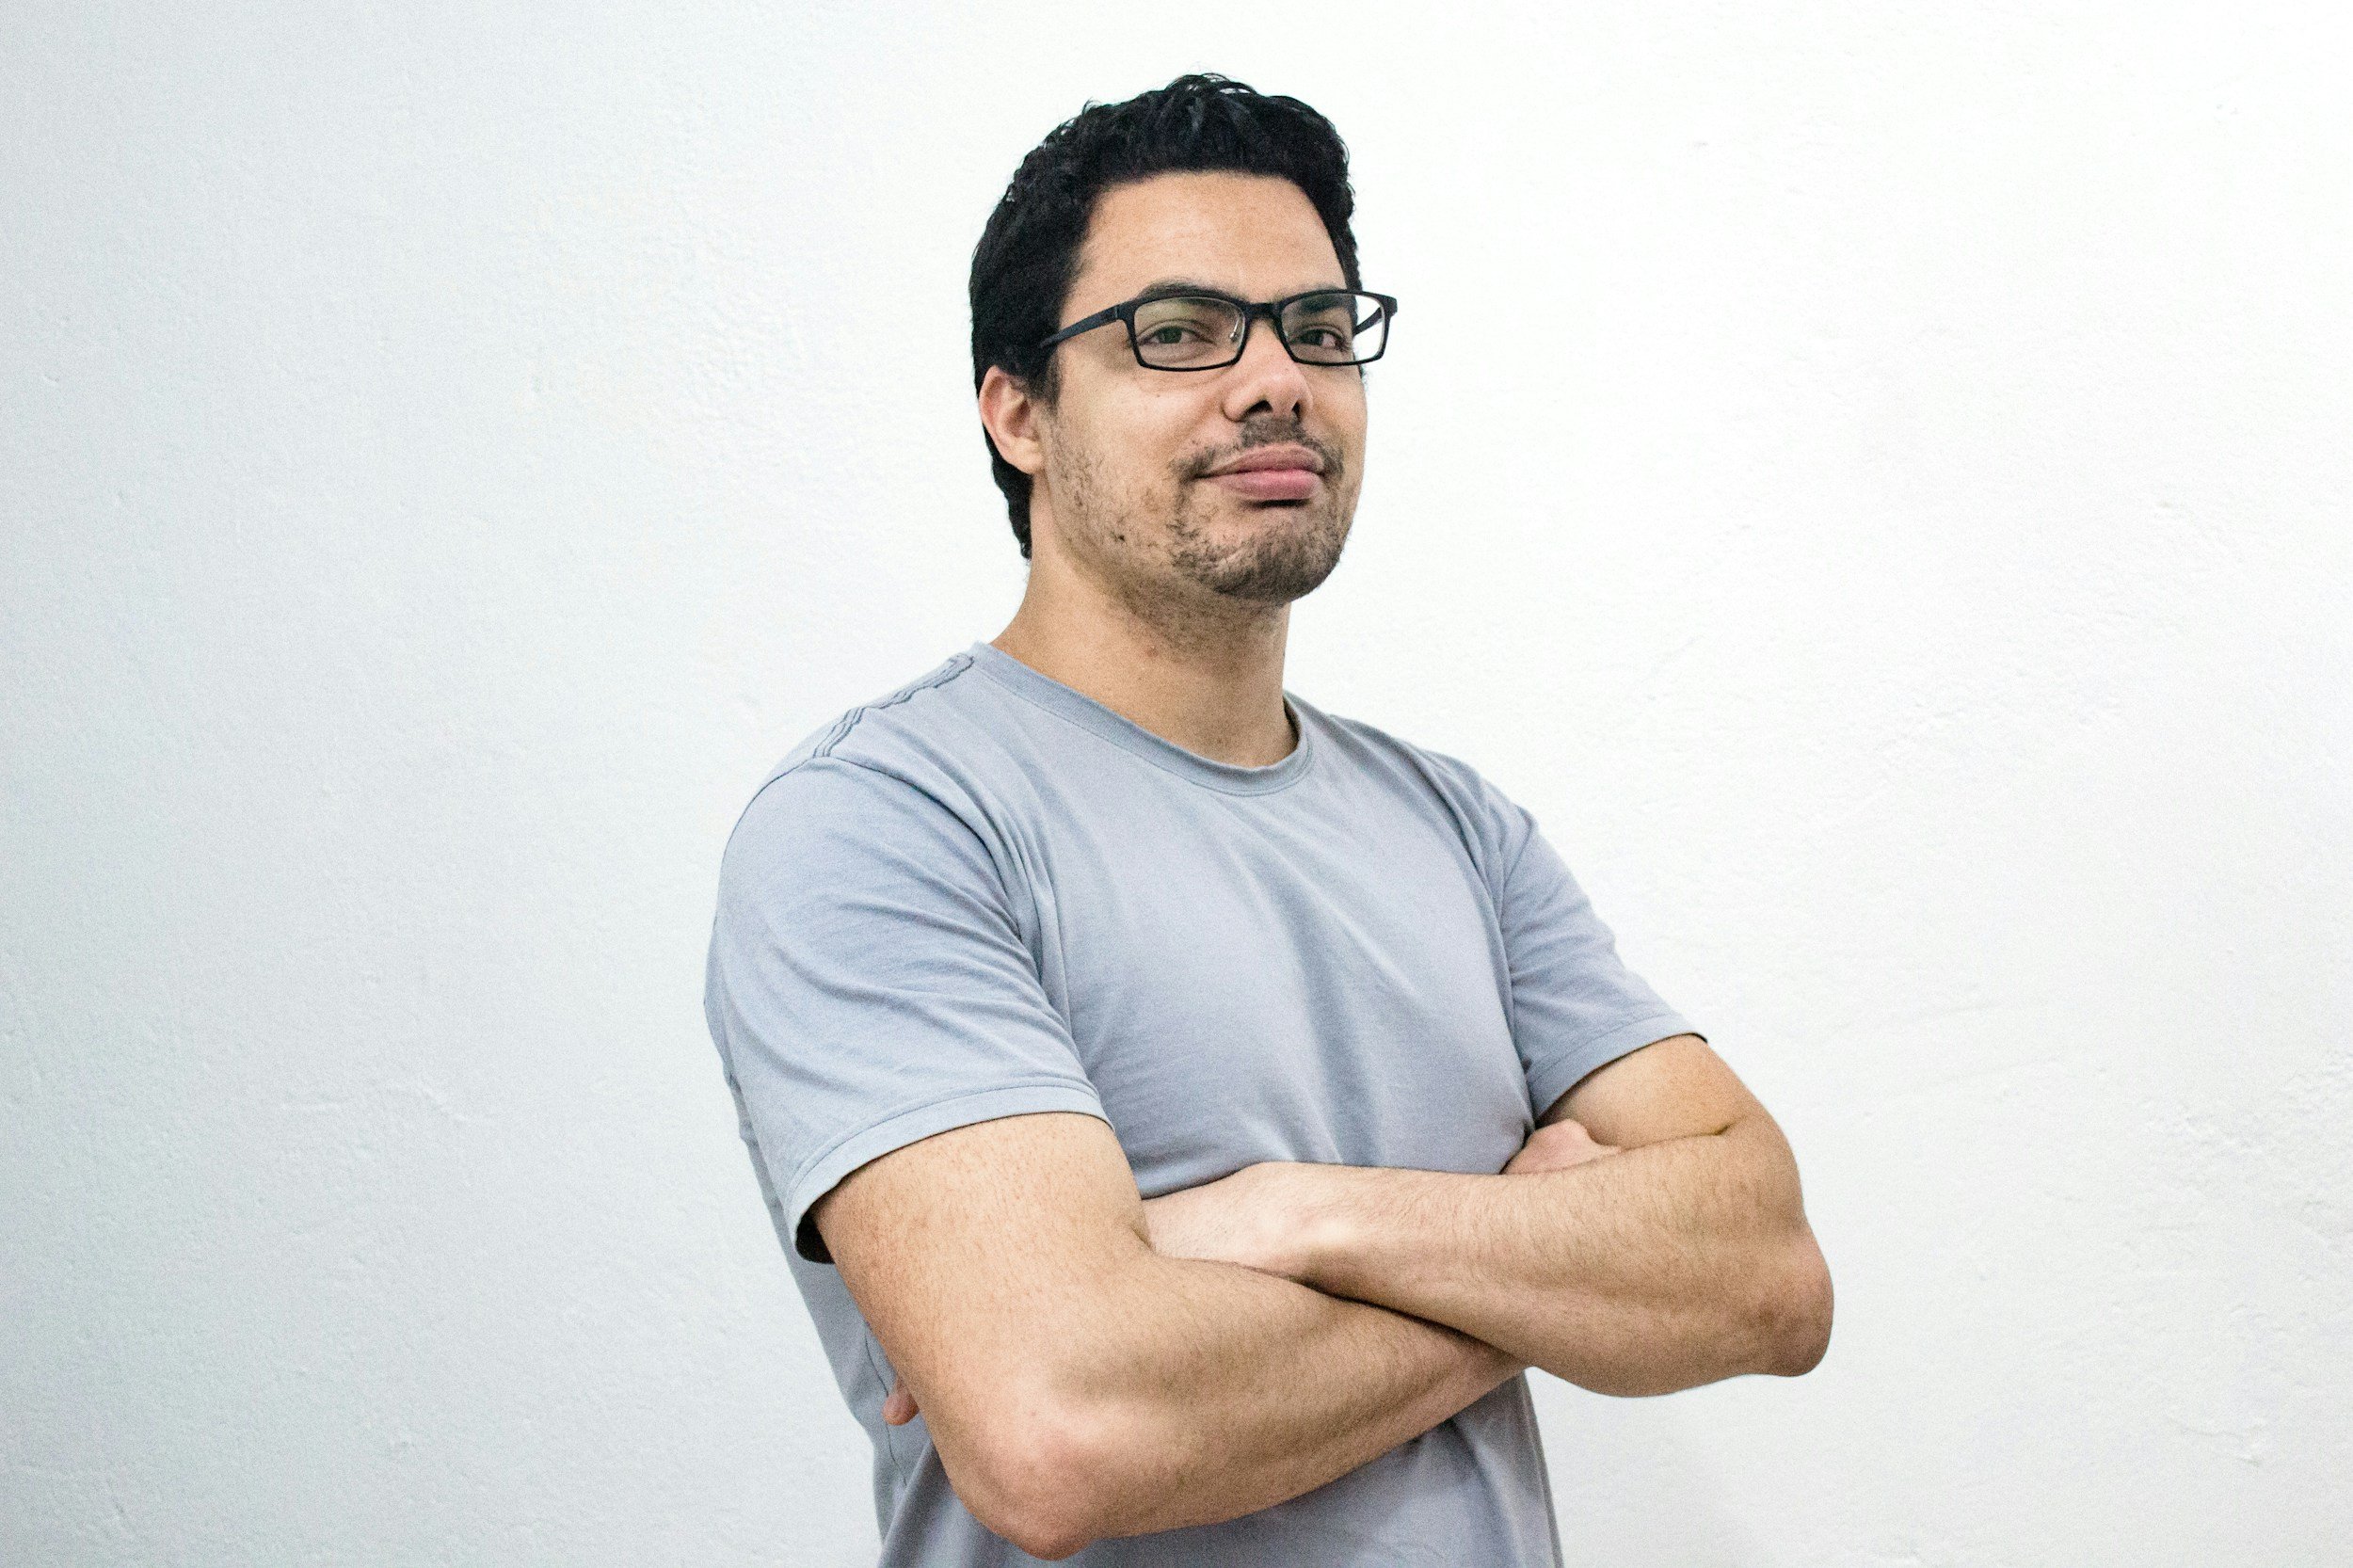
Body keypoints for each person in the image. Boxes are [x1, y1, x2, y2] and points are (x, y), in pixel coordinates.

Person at [701, 72, 1833, 1565]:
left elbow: (1766, 1273)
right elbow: (1067, 1431)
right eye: (1178, 333)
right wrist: (1523, 1263)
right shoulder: (886, 825)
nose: (1277, 379)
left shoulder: (1460, 830)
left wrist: (1300, 1215)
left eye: (1317, 328)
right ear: (1019, 410)